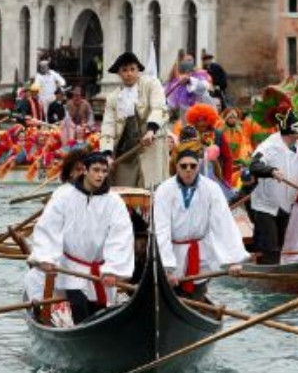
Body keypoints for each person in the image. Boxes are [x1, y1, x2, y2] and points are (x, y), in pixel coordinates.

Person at [23, 152, 134, 324]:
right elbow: (49, 227)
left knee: (98, 314)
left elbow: (121, 236)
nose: (100, 175)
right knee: (78, 306)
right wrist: (46, 257)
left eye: (104, 171)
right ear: (85, 170)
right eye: (96, 170)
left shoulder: (114, 201)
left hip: (101, 271)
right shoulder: (64, 195)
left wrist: (112, 269)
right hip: (71, 268)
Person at [153, 137, 249, 300]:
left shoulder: (211, 189)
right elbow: (161, 230)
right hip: (173, 256)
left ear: (198, 166)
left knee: (196, 295)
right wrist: (167, 268)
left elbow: (223, 223)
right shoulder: (164, 190)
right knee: (173, 295)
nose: (188, 170)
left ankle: (196, 302)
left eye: (193, 166)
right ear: (176, 167)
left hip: (201, 255)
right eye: (183, 166)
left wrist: (233, 260)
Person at [247, 110, 298, 265]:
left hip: (286, 204)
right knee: (270, 245)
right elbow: (254, 165)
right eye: (297, 132)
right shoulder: (269, 146)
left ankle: (273, 271)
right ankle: (267, 274)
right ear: (288, 131)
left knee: (280, 244)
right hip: (265, 205)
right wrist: (271, 171)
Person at [100, 51, 170, 189]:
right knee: (124, 192)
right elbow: (108, 127)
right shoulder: (113, 98)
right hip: (125, 153)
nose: (129, 73)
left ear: (138, 70)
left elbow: (160, 108)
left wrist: (151, 130)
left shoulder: (151, 84)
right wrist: (106, 154)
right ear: (119, 73)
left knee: (152, 191)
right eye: (124, 70)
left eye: (132, 69)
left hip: (151, 147)